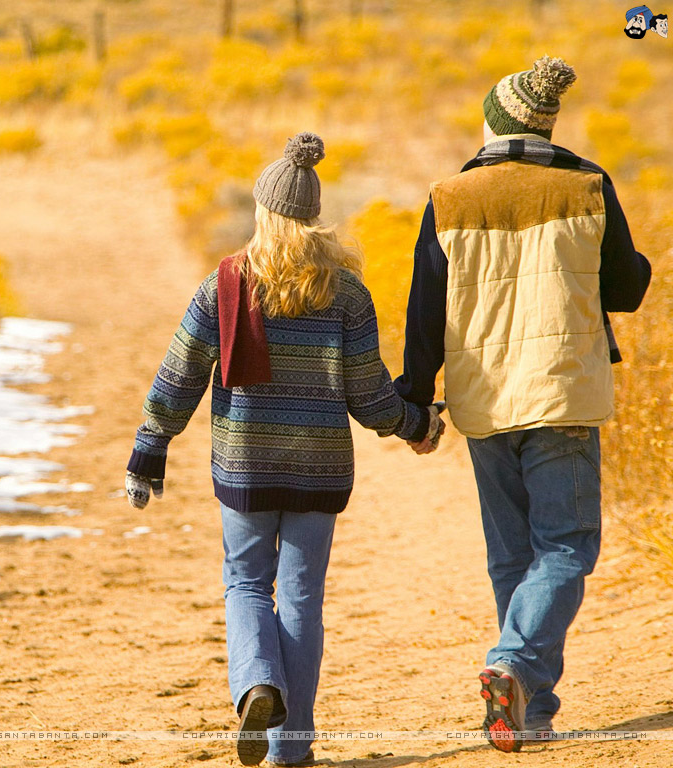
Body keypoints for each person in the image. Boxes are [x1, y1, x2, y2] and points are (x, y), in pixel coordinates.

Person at [125, 132, 444, 767]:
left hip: (245, 465)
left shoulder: (225, 285)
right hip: (319, 471)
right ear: (315, 218)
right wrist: (416, 424)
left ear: (263, 213)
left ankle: (257, 686)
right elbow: (369, 398)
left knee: (246, 584)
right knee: (301, 600)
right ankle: (291, 747)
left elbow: (179, 372)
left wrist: (149, 446)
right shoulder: (347, 294)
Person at [394, 56, 652, 752]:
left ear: (495, 122)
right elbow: (626, 290)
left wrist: (416, 405)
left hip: (483, 397)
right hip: (562, 389)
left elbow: (425, 312)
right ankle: (514, 666)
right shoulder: (588, 185)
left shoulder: (449, 196)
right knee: (566, 549)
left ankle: (527, 712)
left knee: (513, 556)